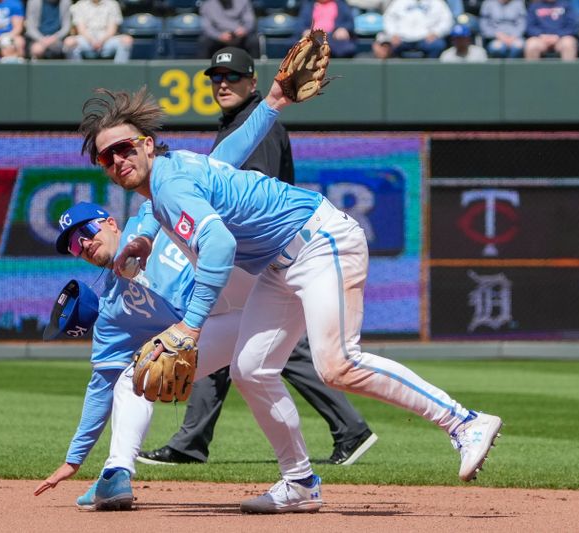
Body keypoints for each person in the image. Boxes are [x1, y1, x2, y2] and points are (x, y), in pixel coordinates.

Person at [98, 81, 502, 513]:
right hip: (279, 264)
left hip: (320, 240)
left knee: (338, 363)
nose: (118, 160)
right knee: (251, 369)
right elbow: (230, 153)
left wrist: (190, 325)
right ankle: (299, 482)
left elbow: (219, 247)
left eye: (124, 148)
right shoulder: (175, 170)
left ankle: (464, 421)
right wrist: (271, 105)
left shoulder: (169, 183)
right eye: (106, 157)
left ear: (145, 145)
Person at [35, 82, 306, 510]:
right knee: (134, 376)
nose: (82, 245)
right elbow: (100, 384)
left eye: (84, 232)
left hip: (278, 281)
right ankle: (116, 475)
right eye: (71, 245)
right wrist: (72, 460)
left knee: (336, 365)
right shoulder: (112, 308)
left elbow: (225, 157)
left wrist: (271, 105)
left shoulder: (157, 212)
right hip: (235, 321)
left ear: (108, 222)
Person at [138, 47, 376, 468]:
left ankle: (352, 429)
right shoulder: (236, 124)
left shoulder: (256, 126)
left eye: (233, 76)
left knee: (273, 350)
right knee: (242, 348)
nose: (223, 83)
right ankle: (192, 442)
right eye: (216, 77)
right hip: (259, 255)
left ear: (253, 83)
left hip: (272, 249)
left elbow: (256, 191)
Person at [63, 0, 132, 62]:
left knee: (127, 40)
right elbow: (81, 30)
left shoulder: (112, 4)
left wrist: (101, 41)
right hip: (86, 41)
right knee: (69, 42)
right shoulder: (80, 4)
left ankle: (119, 73)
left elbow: (112, 30)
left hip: (107, 41)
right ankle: (76, 73)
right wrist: (92, 41)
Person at [383, 0, 453, 58]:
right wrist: (393, 34)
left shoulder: (437, 3)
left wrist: (436, 33)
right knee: (384, 47)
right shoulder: (399, 2)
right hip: (402, 39)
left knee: (438, 45)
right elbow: (388, 18)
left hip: (426, 39)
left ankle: (430, 71)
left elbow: (447, 20)